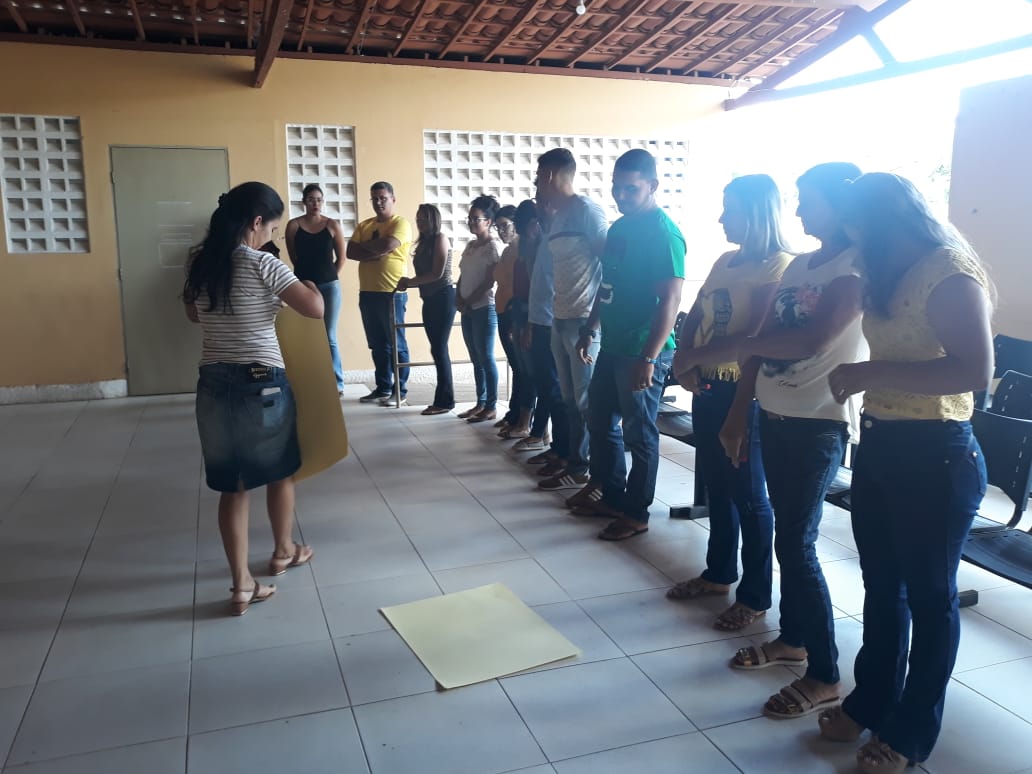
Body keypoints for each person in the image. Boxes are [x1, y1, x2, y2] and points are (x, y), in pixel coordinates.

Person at [820, 173, 993, 773]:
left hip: (936, 455)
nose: (848, 238)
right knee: (881, 586)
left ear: (878, 221)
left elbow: (974, 371)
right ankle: (871, 701)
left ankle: (911, 732)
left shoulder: (948, 271)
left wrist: (871, 374)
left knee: (929, 598)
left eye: (852, 226)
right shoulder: (885, 268)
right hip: (882, 445)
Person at [715, 163, 866, 721]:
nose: (799, 210)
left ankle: (825, 672)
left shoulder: (857, 266)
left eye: (809, 199)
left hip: (818, 423)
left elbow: (812, 338)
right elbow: (760, 342)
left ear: (842, 206)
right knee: (789, 539)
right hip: (775, 415)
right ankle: (794, 640)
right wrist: (739, 411)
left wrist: (750, 346)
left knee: (798, 546)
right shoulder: (803, 264)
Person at [182, 182, 324, 616]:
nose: (271, 236)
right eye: (272, 229)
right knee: (280, 471)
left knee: (233, 486)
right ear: (256, 222)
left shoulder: (202, 264)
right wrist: (310, 285)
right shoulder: (263, 263)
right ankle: (283, 550)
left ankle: (241, 584)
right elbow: (314, 308)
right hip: (261, 382)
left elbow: (193, 313)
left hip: (213, 383)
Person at [667, 174, 791, 632]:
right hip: (708, 387)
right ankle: (719, 572)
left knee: (749, 495)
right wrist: (683, 358)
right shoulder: (726, 260)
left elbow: (751, 338)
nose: (722, 218)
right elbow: (697, 313)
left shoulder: (778, 266)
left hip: (745, 393)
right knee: (717, 485)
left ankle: (755, 595)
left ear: (756, 214)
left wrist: (691, 359)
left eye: (731, 210)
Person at [575, 148, 685, 541]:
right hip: (613, 344)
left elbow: (671, 300)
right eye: (617, 188)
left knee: (639, 433)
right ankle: (611, 495)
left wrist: (649, 358)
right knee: (600, 420)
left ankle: (636, 512)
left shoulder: (664, 234)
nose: (621, 195)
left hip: (643, 350)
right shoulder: (620, 229)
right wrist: (590, 327)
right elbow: (607, 285)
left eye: (631, 189)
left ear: (652, 185)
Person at [535, 148, 609, 491]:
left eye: (539, 178)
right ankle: (575, 462)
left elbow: (610, 266)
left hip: (583, 321)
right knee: (569, 400)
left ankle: (592, 471)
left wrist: (593, 325)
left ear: (550, 176)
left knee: (585, 401)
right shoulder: (558, 216)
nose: (537, 184)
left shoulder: (587, 211)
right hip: (559, 318)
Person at [347, 181, 412, 406]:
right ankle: (383, 387)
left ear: (393, 199)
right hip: (367, 292)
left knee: (397, 343)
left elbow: (389, 244)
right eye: (374, 198)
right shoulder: (364, 225)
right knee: (377, 344)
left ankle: (400, 390)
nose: (378, 202)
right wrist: (376, 250)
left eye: (383, 198)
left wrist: (368, 249)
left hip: (391, 293)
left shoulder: (400, 223)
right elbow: (350, 251)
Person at [284, 183, 347, 393]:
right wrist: (305, 276)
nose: (315, 204)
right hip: (303, 287)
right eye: (311, 199)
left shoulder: (332, 225)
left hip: (329, 286)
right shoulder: (293, 225)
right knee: (306, 334)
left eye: (319, 199)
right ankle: (310, 379)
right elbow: (294, 256)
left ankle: (337, 383)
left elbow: (342, 258)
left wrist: (329, 275)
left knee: (329, 335)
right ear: (304, 201)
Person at [397, 204, 455, 415]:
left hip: (443, 297)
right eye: (418, 218)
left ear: (434, 220)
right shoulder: (423, 242)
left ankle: (445, 401)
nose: (420, 222)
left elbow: (437, 274)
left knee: (439, 348)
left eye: (424, 218)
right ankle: (443, 400)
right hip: (429, 300)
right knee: (436, 349)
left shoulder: (440, 238)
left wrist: (409, 282)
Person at [455, 195, 503, 422]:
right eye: (470, 219)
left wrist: (470, 300)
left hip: (484, 307)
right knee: (475, 357)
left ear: (489, 222)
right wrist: (458, 296)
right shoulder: (471, 246)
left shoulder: (492, 247)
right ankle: (480, 402)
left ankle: (491, 405)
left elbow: (489, 281)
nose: (472, 222)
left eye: (476, 219)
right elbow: (463, 274)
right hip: (467, 308)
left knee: (486, 357)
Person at [494, 205, 534, 439]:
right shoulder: (508, 251)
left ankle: (523, 419)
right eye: (498, 227)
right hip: (504, 310)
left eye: (505, 226)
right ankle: (514, 414)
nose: (501, 231)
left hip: (516, 313)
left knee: (522, 369)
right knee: (517, 367)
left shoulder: (522, 250)